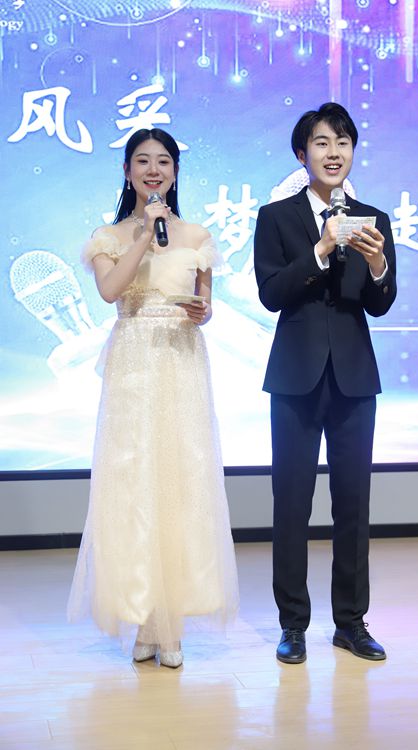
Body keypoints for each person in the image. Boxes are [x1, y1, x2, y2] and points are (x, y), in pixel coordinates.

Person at [67, 128, 239, 668]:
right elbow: (110, 291)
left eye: (163, 161)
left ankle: (171, 624)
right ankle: (142, 617)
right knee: (134, 485)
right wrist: (144, 233)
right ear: (127, 172)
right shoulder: (109, 236)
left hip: (181, 364)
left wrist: (202, 311)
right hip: (134, 369)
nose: (153, 170)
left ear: (175, 172)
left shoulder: (197, 236)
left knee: (181, 484)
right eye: (142, 161)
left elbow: (205, 303)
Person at [253, 102, 397, 664]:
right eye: (321, 143)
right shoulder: (277, 218)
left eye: (342, 142)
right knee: (291, 503)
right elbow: (271, 294)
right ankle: (292, 624)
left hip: (354, 380)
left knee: (353, 504)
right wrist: (320, 249)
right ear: (302, 154)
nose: (333, 153)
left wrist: (379, 265)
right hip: (295, 378)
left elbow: (380, 304)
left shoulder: (373, 219)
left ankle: (351, 622)